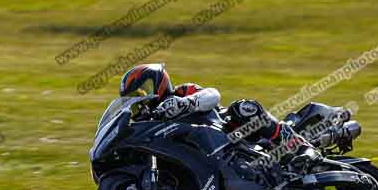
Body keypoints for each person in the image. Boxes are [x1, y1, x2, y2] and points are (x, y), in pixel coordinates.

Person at [118, 63, 316, 163]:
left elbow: (213, 94)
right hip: (208, 159)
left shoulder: (183, 91)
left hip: (232, 134)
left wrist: (186, 103)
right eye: (135, 97)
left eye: (143, 90)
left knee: (243, 108)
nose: (142, 100)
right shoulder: (149, 123)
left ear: (157, 81)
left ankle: (301, 147)